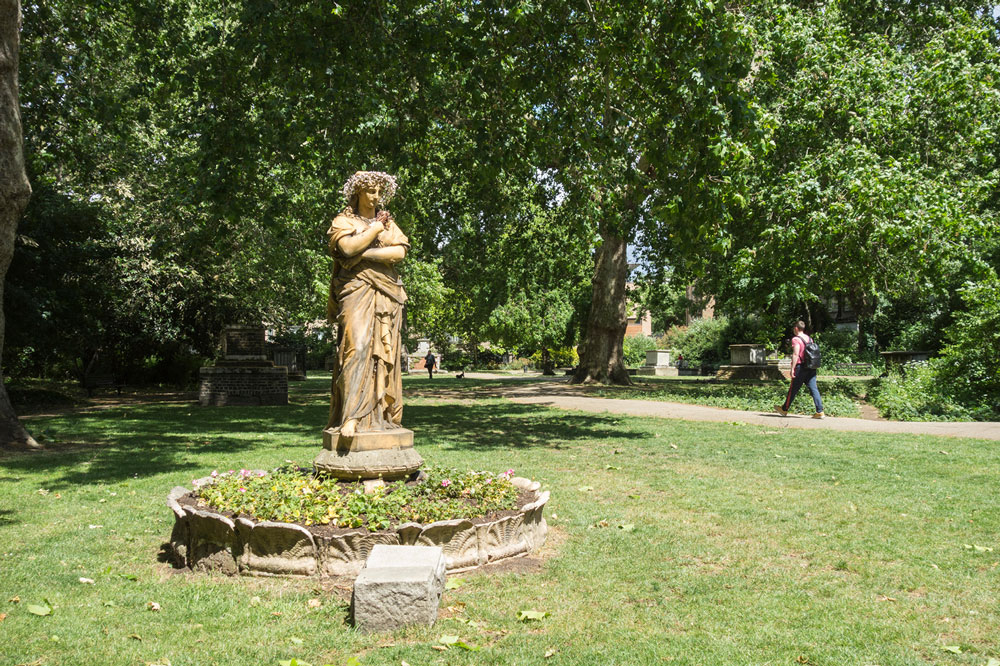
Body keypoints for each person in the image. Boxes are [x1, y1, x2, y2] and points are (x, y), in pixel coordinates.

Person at [326, 171, 409, 439]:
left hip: (387, 294)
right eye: (370, 191)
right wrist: (373, 231)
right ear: (358, 192)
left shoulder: (388, 222)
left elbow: (399, 252)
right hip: (355, 290)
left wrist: (366, 253)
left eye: (378, 192)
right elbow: (346, 249)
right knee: (357, 347)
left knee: (384, 356)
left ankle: (380, 417)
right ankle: (350, 417)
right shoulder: (343, 220)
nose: (375, 197)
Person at [775, 320, 824, 419]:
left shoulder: (796, 339)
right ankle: (820, 411)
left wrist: (792, 368)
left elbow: (796, 354)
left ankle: (784, 409)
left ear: (796, 328)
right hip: (811, 367)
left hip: (800, 368)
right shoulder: (810, 339)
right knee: (814, 389)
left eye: (794, 328)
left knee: (793, 389)